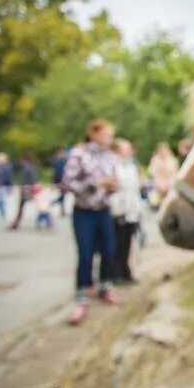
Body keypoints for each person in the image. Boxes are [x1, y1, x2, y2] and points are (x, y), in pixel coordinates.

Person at [63, 119, 121, 325]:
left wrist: (113, 186)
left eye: (110, 136)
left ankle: (106, 286)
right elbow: (68, 183)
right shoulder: (78, 155)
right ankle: (82, 294)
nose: (109, 140)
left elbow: (115, 181)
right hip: (84, 211)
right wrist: (96, 183)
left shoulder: (111, 157)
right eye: (106, 135)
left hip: (104, 210)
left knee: (109, 250)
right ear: (93, 134)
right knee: (85, 252)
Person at [110, 138, 143, 285]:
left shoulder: (131, 166)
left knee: (128, 243)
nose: (129, 151)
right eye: (125, 148)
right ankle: (115, 273)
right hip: (118, 209)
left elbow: (134, 187)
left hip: (131, 210)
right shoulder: (112, 165)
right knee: (118, 243)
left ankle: (126, 272)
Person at [8, 151, 38, 230]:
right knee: (22, 207)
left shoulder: (28, 168)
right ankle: (16, 223)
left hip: (26, 190)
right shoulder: (30, 167)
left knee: (22, 207)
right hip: (27, 189)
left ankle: (16, 224)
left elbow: (32, 180)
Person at [147, 142, 178, 208]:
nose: (164, 152)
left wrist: (169, 183)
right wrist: (160, 182)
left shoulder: (172, 160)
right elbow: (152, 173)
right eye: (162, 150)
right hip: (158, 183)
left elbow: (175, 173)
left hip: (170, 183)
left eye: (165, 150)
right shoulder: (155, 159)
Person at [50, 148, 69, 217]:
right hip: (62, 181)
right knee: (62, 196)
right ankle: (53, 203)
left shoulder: (57, 161)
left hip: (60, 180)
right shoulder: (61, 162)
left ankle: (62, 211)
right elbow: (59, 173)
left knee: (63, 195)